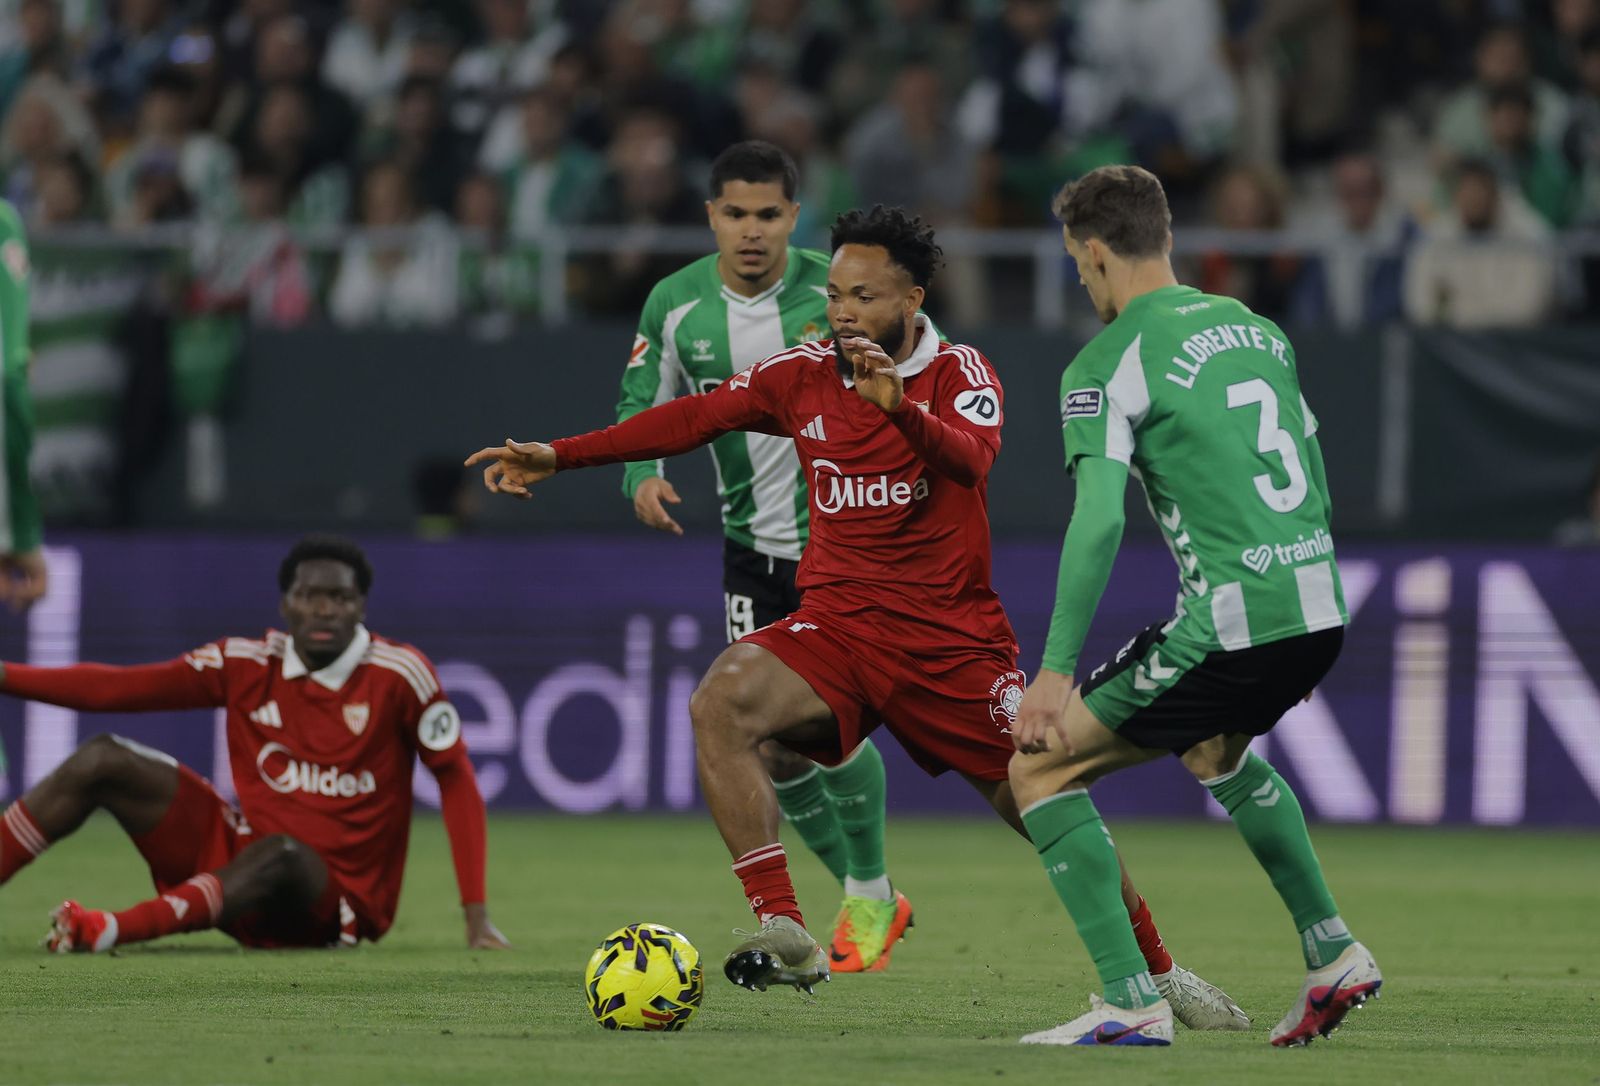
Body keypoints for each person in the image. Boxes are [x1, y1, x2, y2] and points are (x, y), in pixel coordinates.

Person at [468, 206, 1246, 1029]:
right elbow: (694, 418)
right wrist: (563, 454)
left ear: (912, 295)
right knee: (720, 701)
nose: (841, 311)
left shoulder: (963, 373)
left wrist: (897, 408)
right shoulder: (800, 372)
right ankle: (786, 924)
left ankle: (1159, 973)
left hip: (950, 645)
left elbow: (972, 460)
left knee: (1043, 796)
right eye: (835, 292)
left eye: (864, 295)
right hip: (836, 630)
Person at [1007, 165, 1380, 1048]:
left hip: (1238, 620)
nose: (1082, 281)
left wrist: (1054, 673)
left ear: (1095, 253)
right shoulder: (1256, 330)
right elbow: (1313, 471)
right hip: (1316, 602)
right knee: (1214, 748)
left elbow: (1097, 522)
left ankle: (1130, 1005)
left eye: (1077, 264)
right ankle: (1332, 952)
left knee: (1040, 772)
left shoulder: (1104, 362)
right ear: (1164, 238)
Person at [617, 140, 913, 975]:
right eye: (736, 214)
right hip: (752, 551)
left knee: (826, 727)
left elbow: (922, 359)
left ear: (794, 216)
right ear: (711, 215)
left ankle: (866, 889)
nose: (752, 232)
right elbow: (644, 400)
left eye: (770, 215)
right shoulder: (675, 305)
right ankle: (862, 902)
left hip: (845, 551)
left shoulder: (843, 289)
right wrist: (642, 472)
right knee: (777, 750)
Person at [0, 535, 508, 953]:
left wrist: (477, 914)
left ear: (362, 607)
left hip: (333, 905)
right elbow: (121, 688)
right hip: (237, 875)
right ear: (286, 604)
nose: (324, 610)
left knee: (283, 854)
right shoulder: (244, 663)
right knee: (102, 758)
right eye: (310, 596)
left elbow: (456, 777)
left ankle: (110, 929)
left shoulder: (401, 675)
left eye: (340, 598)